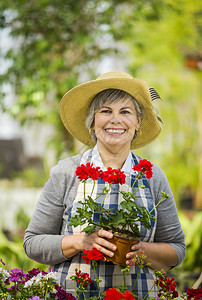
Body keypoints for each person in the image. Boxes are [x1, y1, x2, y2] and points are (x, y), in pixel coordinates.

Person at [24, 71, 186, 299]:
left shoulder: (152, 176)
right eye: (106, 111)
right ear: (92, 122)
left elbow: (177, 249)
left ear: (138, 123)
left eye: (125, 112)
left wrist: (142, 251)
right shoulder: (66, 172)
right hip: (73, 293)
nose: (115, 120)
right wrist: (81, 241)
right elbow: (32, 243)